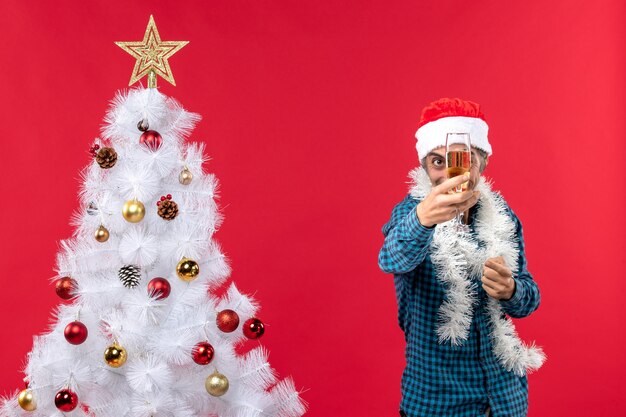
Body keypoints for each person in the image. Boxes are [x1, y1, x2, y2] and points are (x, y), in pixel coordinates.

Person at [378, 98, 545, 417]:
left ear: (482, 163)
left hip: (505, 399)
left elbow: (529, 298)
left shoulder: (502, 216)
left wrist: (510, 289)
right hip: (439, 401)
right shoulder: (410, 214)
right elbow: (391, 259)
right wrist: (423, 218)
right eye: (437, 161)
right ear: (425, 167)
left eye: (461, 159)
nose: (451, 172)